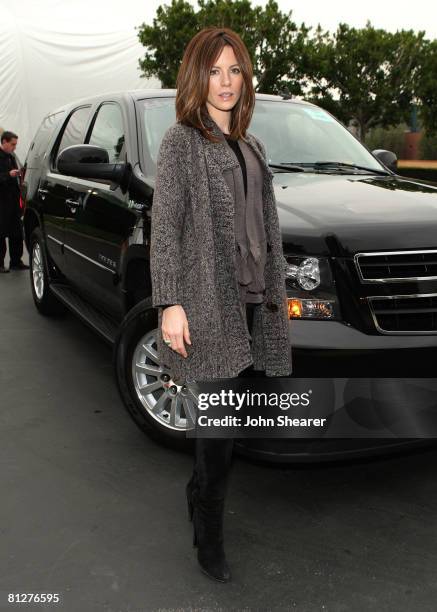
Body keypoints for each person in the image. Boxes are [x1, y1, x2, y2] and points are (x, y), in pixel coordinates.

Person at [150, 27, 292, 583]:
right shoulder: (182, 140)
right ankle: (208, 531)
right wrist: (170, 303)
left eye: (235, 70)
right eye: (215, 70)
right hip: (209, 306)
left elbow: (267, 227)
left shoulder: (252, 145)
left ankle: (199, 494)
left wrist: (278, 299)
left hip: (255, 303)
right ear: (197, 76)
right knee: (219, 435)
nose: (226, 82)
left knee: (233, 423)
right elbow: (165, 227)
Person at [0, 131, 29, 272]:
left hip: (13, 201)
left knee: (17, 233)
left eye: (16, 144)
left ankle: (16, 262)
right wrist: (7, 175)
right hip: (2, 202)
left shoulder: (11, 157)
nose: (14, 147)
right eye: (12, 144)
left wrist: (18, 173)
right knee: (1, 234)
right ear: (4, 142)